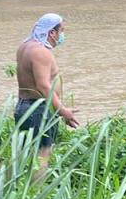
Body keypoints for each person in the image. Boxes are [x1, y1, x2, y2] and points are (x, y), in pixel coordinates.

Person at [15, 13, 79, 179]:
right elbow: (43, 86)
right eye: (61, 31)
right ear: (52, 33)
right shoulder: (41, 52)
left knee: (29, 152)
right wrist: (63, 111)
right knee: (43, 153)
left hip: (25, 107)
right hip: (38, 110)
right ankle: (35, 195)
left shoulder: (25, 46)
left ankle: (21, 188)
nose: (62, 35)